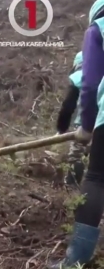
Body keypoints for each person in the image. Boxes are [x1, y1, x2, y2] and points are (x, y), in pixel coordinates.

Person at [49, 0, 104, 269]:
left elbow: (90, 84)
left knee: (95, 178)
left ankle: (76, 261)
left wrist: (86, 125)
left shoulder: (98, 29)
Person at [56, 51, 87, 186]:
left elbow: (68, 106)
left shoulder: (81, 77)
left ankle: (72, 192)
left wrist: (61, 128)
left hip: (86, 124)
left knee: (76, 156)